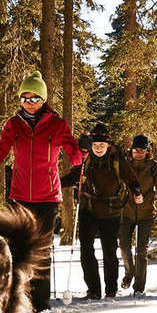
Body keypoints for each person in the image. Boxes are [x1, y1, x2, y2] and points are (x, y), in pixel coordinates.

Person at [0, 71, 81, 312]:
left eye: (34, 98)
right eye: (25, 98)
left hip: (48, 197)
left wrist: (83, 149)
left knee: (42, 252)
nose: (29, 103)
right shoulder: (14, 125)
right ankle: (15, 301)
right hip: (20, 195)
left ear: (43, 99)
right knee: (17, 250)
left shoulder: (57, 125)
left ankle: (41, 303)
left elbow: (76, 157)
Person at [63, 124, 133, 300]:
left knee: (109, 252)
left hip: (111, 211)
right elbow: (73, 177)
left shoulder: (117, 158)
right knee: (86, 250)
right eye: (95, 145)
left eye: (102, 145)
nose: (99, 148)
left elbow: (130, 177)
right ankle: (93, 290)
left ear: (108, 145)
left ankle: (110, 289)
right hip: (89, 209)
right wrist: (54, 182)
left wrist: (137, 191)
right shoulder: (86, 158)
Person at [119, 133, 157, 295]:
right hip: (126, 211)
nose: (139, 152)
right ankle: (130, 273)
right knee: (123, 246)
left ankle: (139, 288)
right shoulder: (124, 165)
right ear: (132, 149)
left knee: (141, 251)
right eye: (136, 149)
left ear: (147, 151)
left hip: (146, 214)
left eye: (142, 150)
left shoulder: (154, 168)